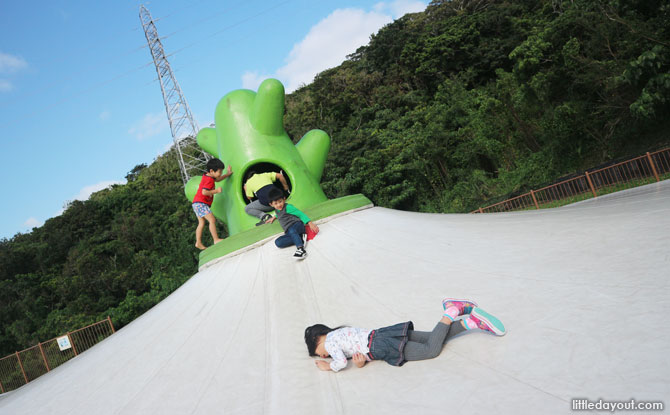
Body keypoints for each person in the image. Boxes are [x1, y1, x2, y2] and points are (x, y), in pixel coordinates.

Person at [304, 298, 505, 372]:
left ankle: (452, 311)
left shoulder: (330, 344)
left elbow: (339, 362)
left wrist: (328, 367)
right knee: (432, 337)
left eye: (319, 352)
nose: (324, 355)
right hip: (381, 335)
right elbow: (359, 346)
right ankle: (470, 322)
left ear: (318, 339)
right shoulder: (339, 333)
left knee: (431, 350)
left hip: (381, 346)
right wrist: (361, 361)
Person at [267, 187, 319, 259]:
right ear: (271, 204)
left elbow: (300, 214)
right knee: (278, 242)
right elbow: (279, 214)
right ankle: (300, 237)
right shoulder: (277, 211)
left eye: (280, 201)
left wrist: (310, 223)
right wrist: (274, 217)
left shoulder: (288, 207)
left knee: (292, 230)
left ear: (284, 199)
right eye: (276, 203)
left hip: (297, 225)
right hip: (289, 231)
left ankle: (301, 249)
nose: (279, 205)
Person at [192, 158, 232, 250]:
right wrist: (216, 191)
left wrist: (227, 174)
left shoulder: (208, 176)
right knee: (212, 220)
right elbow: (204, 192)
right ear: (211, 171)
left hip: (196, 203)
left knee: (201, 222)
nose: (220, 174)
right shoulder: (209, 180)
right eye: (219, 172)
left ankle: (198, 242)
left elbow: (217, 179)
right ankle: (216, 239)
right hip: (201, 203)